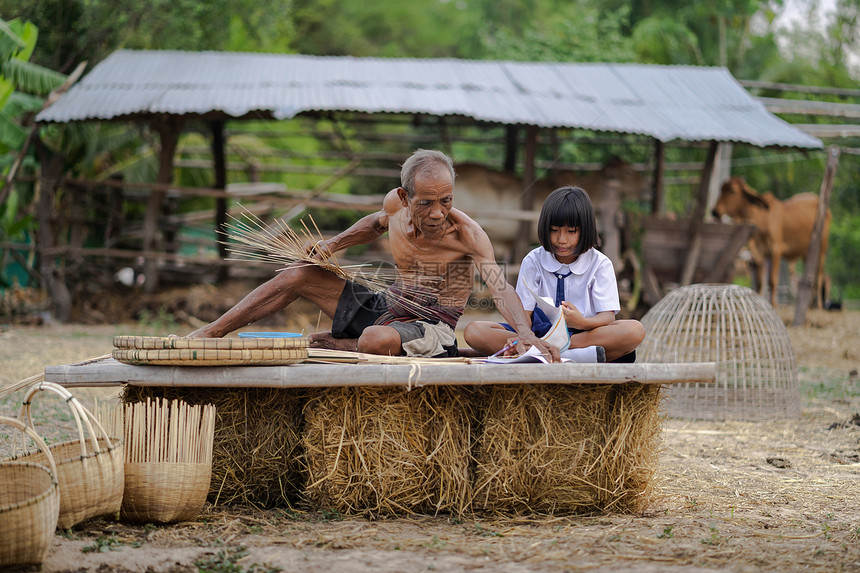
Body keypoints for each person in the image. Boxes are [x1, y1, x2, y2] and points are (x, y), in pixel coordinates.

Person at [187, 149, 560, 361]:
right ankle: (210, 333)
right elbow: (374, 223)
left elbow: (497, 287)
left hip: (431, 328)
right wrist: (334, 245)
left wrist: (526, 334)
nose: (437, 212)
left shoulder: (467, 235)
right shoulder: (393, 208)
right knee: (297, 273)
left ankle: (341, 344)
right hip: (386, 306)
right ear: (403, 197)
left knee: (372, 341)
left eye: (446, 201)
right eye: (425, 202)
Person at [464, 185, 644, 362]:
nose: (561, 239)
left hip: (584, 335)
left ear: (586, 230)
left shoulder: (600, 264)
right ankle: (565, 354)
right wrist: (523, 335)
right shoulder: (533, 260)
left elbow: (607, 316)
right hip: (536, 334)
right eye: (554, 230)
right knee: (474, 331)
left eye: (571, 231)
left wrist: (581, 322)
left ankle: (556, 352)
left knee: (635, 330)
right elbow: (524, 313)